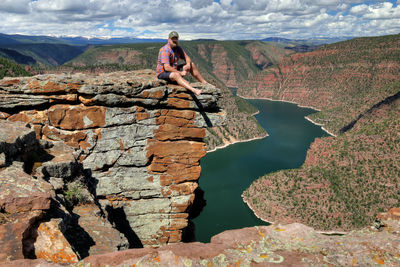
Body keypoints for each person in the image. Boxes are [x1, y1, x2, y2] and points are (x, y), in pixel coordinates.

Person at [156, 31, 208, 96]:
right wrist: (180, 73)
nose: (175, 40)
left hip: (173, 70)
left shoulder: (178, 48)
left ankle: (204, 82)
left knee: (192, 64)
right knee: (176, 75)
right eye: (173, 39)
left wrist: (188, 64)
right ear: (169, 40)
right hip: (163, 73)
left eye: (176, 38)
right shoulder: (165, 50)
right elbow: (167, 67)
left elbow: (187, 57)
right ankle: (194, 90)